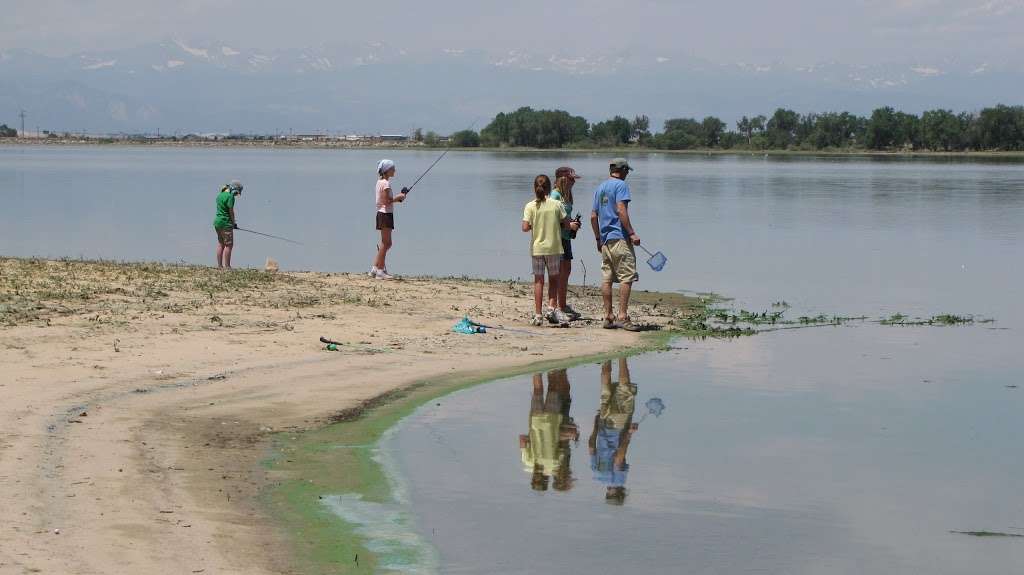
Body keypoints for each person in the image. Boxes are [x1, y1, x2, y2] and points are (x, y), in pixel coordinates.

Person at [590, 158, 641, 331]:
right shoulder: (621, 186)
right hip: (620, 238)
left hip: (605, 241)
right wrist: (632, 233)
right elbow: (621, 210)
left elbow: (593, 216)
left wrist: (598, 239)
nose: (627, 174)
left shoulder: (600, 188)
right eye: (627, 171)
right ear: (623, 170)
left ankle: (608, 316)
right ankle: (623, 316)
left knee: (607, 279)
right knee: (627, 277)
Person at [522, 174, 580, 326]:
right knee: (553, 279)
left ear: (535, 188)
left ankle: (538, 314)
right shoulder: (556, 204)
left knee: (538, 281)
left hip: (537, 248)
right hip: (554, 247)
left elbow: (525, 227)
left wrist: (536, 223)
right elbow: (567, 224)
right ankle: (551, 308)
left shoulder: (530, 206)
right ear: (549, 188)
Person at [589, 357, 638, 505]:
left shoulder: (619, 480)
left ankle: (622, 356)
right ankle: (607, 355)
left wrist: (629, 433)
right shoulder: (597, 475)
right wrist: (596, 425)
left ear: (620, 494)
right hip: (604, 422)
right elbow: (591, 447)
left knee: (625, 390)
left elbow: (618, 458)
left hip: (619, 426)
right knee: (606, 388)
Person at [519, 371, 578, 491]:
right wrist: (534, 438)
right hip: (536, 421)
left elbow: (560, 446)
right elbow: (522, 439)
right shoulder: (528, 463)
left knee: (553, 389)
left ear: (547, 480)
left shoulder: (554, 465)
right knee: (537, 390)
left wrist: (570, 435)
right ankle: (537, 369)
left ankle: (553, 367)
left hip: (552, 420)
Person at [550, 166, 582, 320]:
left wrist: (573, 224)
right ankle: (556, 306)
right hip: (557, 238)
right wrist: (569, 225)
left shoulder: (567, 194)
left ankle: (562, 304)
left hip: (566, 237)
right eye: (571, 179)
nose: (573, 182)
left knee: (566, 271)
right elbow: (551, 219)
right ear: (563, 179)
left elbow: (565, 217)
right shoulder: (555, 195)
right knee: (559, 273)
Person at [370, 159, 408, 280]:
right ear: (387, 170)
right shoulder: (385, 184)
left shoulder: (379, 182)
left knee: (385, 243)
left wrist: (398, 197)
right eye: (393, 169)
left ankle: (375, 269)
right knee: (386, 243)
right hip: (385, 214)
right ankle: (380, 271)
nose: (394, 170)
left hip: (381, 214)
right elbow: (388, 201)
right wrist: (399, 197)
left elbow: (386, 200)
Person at [213, 179, 243, 269]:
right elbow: (231, 212)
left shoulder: (219, 195)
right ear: (235, 189)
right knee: (229, 245)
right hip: (226, 223)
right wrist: (234, 223)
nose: (236, 194)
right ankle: (227, 266)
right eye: (237, 192)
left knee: (220, 244)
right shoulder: (230, 197)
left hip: (217, 222)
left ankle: (219, 266)